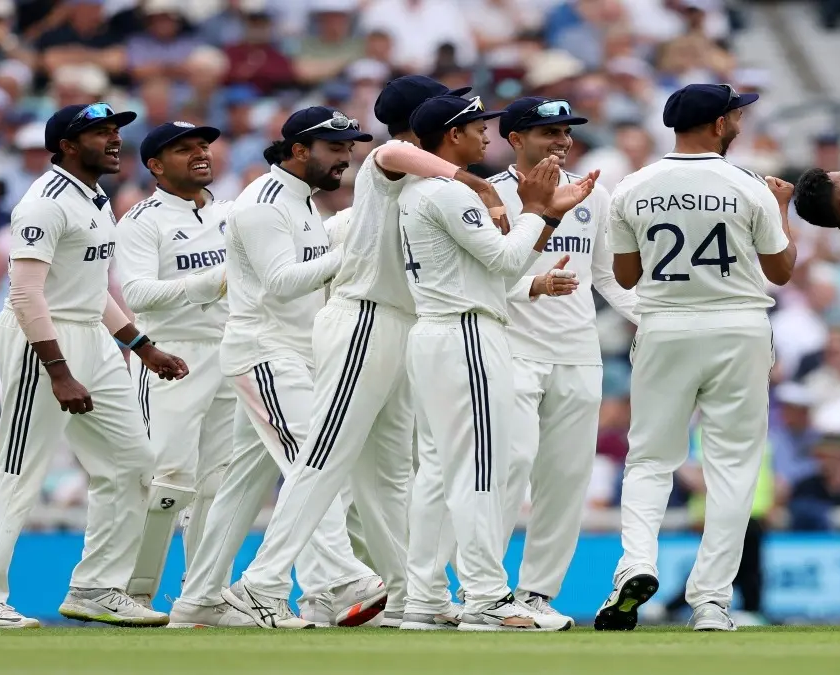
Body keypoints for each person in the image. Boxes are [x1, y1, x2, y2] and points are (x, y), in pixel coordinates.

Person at [228, 76, 505, 630]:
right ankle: (260, 585)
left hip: (403, 326)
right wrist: (480, 185)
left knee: (389, 477)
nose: (463, 116)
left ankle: (407, 594)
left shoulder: (430, 184)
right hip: (364, 320)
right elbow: (391, 151)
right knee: (324, 458)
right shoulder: (394, 161)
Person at [0, 103, 186, 628]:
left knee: (132, 463)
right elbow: (26, 293)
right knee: (19, 470)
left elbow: (90, 289)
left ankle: (97, 587)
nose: (114, 140)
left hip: (91, 336)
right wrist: (58, 370)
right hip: (42, 338)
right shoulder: (45, 202)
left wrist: (141, 346)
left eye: (114, 131)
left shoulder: (95, 198)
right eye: (100, 133)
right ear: (66, 146)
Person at [597, 83, 796, 632]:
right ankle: (711, 601)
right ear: (718, 124)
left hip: (665, 326)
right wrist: (781, 208)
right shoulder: (749, 185)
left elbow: (625, 277)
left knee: (650, 458)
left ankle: (636, 564)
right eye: (736, 115)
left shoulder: (633, 186)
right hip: (738, 326)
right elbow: (781, 271)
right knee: (733, 466)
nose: (741, 122)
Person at [399, 94, 592, 632]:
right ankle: (485, 597)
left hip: (435, 333)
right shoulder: (451, 193)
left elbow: (497, 269)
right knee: (480, 471)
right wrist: (540, 211)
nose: (485, 135)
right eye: (476, 127)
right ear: (452, 135)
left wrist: (543, 217)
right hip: (466, 334)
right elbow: (506, 261)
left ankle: (424, 597)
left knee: (438, 473)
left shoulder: (418, 191)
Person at [183, 107, 378, 630]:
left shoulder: (303, 200)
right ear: (298, 150)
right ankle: (339, 579)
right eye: (335, 148)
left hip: (290, 353)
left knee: (244, 486)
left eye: (349, 148)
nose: (346, 158)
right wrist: (353, 254)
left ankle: (199, 597)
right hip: (266, 353)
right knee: (315, 465)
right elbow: (281, 283)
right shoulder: (265, 202)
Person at [489, 96, 637, 616]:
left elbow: (606, 275)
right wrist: (533, 286)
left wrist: (652, 317)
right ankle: (485, 592)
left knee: (566, 479)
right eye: (549, 133)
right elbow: (478, 278)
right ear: (515, 139)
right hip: (512, 349)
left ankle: (537, 593)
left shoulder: (591, 193)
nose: (562, 141)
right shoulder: (490, 194)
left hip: (577, 352)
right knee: (508, 468)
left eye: (566, 132)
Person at [114, 121, 240, 618]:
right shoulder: (142, 220)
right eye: (184, 149)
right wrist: (210, 283)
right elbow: (138, 294)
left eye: (203, 145)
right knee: (166, 479)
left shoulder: (232, 213)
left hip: (229, 351)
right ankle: (130, 593)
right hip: (171, 355)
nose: (200, 154)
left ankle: (204, 595)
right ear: (156, 165)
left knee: (218, 482)